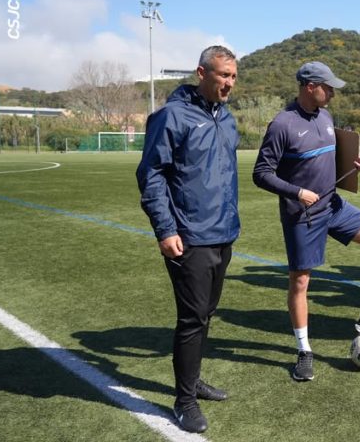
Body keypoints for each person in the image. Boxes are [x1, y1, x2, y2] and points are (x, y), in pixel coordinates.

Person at [253, 61, 360, 382]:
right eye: (328, 86)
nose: (333, 92)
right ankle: (304, 351)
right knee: (301, 282)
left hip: (332, 204)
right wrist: (297, 192)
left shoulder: (326, 116)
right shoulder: (282, 124)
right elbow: (261, 174)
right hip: (302, 214)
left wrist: (355, 164)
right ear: (310, 86)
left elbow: (328, 161)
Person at [136, 45, 239, 434]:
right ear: (201, 73)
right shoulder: (171, 116)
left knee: (206, 313)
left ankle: (191, 379)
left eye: (232, 76)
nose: (228, 83)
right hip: (189, 237)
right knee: (192, 318)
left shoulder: (226, 119)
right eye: (222, 75)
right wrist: (166, 229)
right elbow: (151, 175)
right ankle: (184, 401)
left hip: (223, 234)